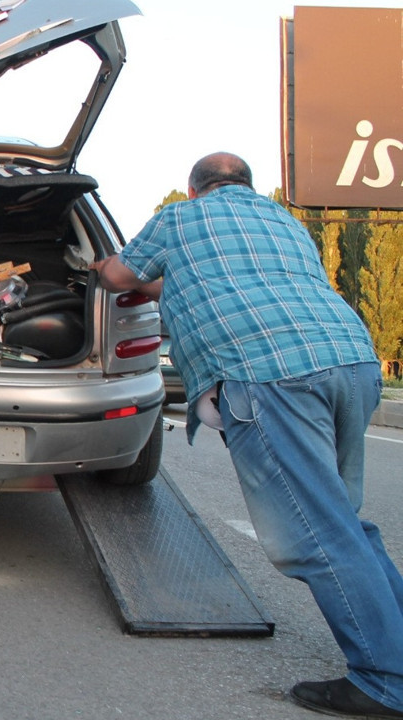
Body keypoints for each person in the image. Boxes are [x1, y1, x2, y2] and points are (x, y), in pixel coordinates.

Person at [93, 152, 402, 718]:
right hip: (351, 363)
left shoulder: (181, 217)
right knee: (344, 522)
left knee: (316, 535)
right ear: (247, 186)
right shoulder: (284, 222)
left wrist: (95, 265)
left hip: (271, 373)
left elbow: (119, 277)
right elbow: (219, 284)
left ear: (194, 190)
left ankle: (385, 681)